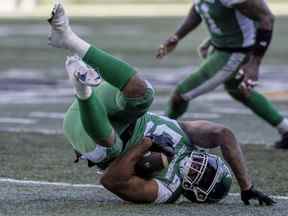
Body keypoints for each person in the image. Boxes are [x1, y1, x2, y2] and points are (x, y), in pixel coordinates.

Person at [48, 3, 275, 205]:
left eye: (204, 178)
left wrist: (145, 146)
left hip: (88, 128)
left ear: (196, 194)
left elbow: (112, 181)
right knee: (145, 94)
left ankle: (81, 87)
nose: (200, 168)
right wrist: (247, 187)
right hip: (114, 107)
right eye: (209, 167)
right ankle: (68, 38)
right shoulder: (187, 140)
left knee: (109, 148)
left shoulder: (167, 190)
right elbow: (224, 134)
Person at [156, 0, 288, 149]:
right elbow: (199, 7)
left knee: (181, 94)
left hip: (235, 52)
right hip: (223, 47)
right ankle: (286, 129)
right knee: (239, 91)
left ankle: (157, 134)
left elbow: (266, 18)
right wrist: (178, 36)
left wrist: (254, 63)